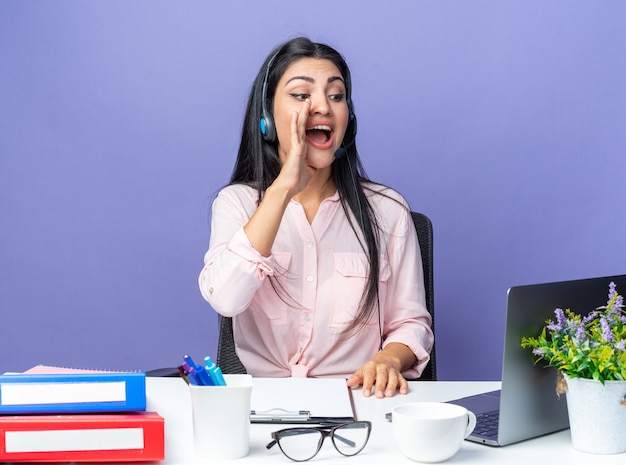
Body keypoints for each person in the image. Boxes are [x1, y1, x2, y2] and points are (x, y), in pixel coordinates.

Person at [198, 37, 433, 398]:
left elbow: (411, 324)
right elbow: (226, 299)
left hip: (359, 401)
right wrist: (281, 191)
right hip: (264, 407)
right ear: (267, 117)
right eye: (301, 95)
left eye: (336, 96)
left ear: (348, 121)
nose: (322, 106)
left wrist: (387, 360)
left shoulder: (388, 211)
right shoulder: (238, 204)